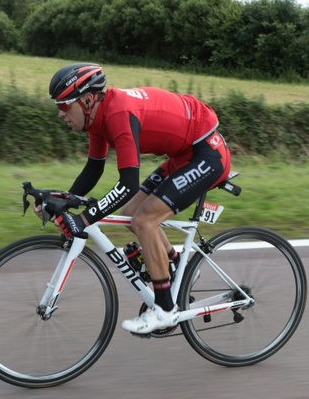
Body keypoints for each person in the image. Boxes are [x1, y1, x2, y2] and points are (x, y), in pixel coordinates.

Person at [40, 63, 231, 335]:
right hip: (183, 155)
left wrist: (83, 219)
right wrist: (65, 200)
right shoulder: (97, 119)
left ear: (87, 100)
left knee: (144, 220)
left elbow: (128, 184)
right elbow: (94, 169)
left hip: (207, 154)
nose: (60, 114)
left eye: (64, 105)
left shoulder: (118, 113)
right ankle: (175, 264)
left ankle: (165, 310)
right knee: (131, 214)